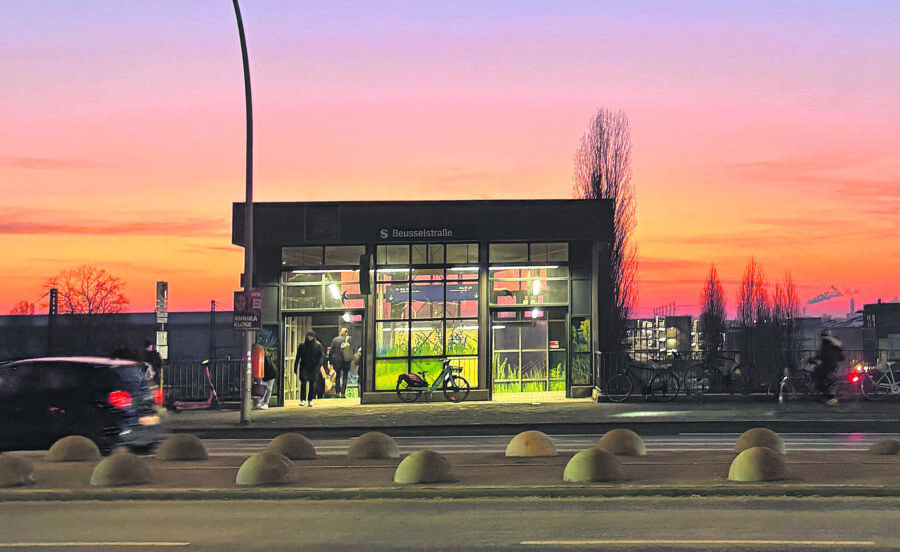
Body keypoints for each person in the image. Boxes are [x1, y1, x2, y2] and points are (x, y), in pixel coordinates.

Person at [810, 330, 844, 400]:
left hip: (829, 364)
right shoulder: (830, 342)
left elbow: (822, 354)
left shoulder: (826, 344)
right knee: (821, 375)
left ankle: (827, 394)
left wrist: (813, 359)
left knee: (818, 375)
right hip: (830, 363)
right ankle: (824, 391)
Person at [293, 331, 324, 407]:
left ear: (313, 337)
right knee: (303, 383)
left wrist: (318, 366)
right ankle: (303, 399)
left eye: (311, 336)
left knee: (312, 384)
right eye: (308, 336)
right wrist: (295, 367)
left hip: (313, 367)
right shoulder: (302, 346)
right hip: (304, 366)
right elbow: (298, 357)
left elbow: (320, 357)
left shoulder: (317, 345)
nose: (309, 338)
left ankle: (310, 400)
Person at [329, 328, 352, 398]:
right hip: (346, 360)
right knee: (345, 376)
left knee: (338, 376)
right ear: (346, 333)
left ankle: (337, 392)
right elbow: (352, 350)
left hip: (337, 361)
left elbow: (331, 351)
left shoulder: (335, 340)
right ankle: (343, 393)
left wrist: (331, 361)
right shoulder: (348, 340)